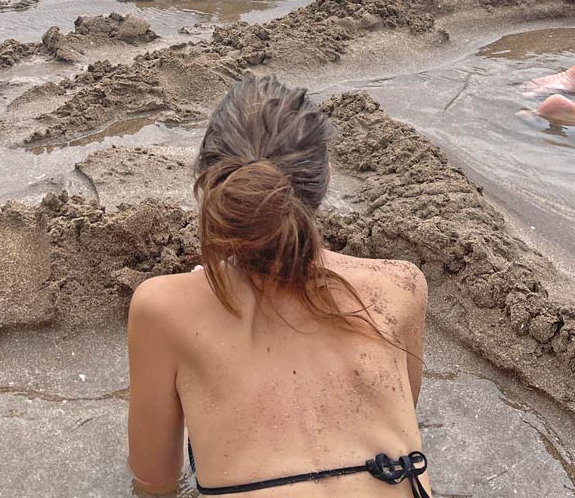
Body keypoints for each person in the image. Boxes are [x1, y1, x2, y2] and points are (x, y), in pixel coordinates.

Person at [128, 76, 431, 497]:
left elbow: (154, 482)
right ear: (325, 175)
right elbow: (399, 412)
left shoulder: (161, 309)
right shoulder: (401, 285)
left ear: (212, 185)